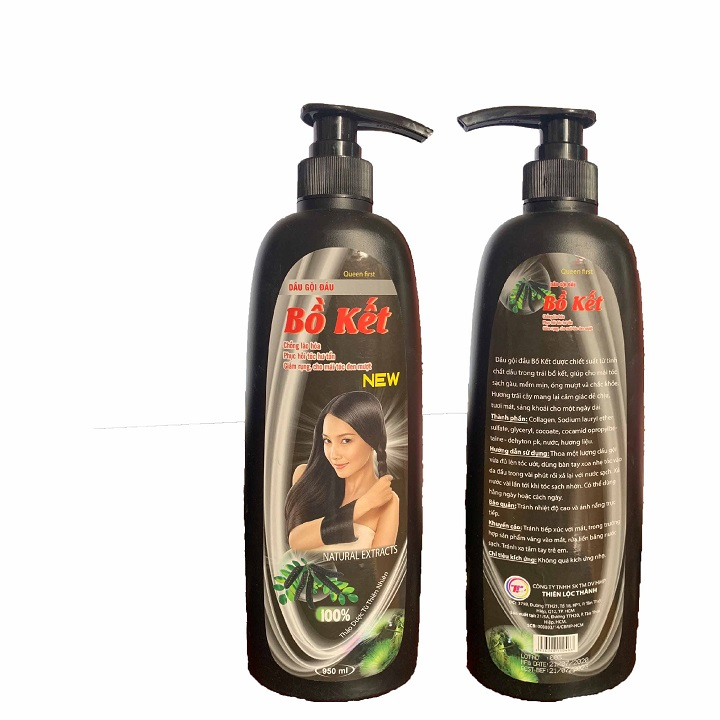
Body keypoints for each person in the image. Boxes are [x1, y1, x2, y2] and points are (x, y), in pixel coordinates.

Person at [285, 391, 399, 551]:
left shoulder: (389, 502)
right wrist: (364, 504)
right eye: (327, 440)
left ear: (372, 440)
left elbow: (380, 563)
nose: (334, 454)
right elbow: (297, 540)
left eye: (346, 440)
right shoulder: (307, 477)